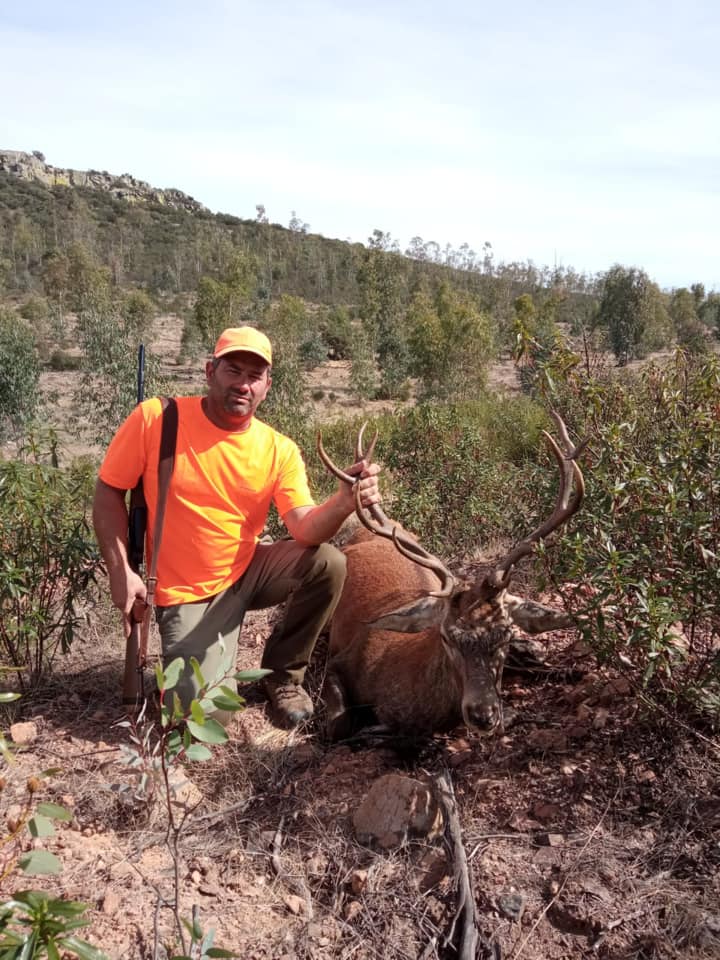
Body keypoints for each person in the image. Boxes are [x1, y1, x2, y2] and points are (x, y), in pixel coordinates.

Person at [92, 326, 381, 728]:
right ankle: (212, 662)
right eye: (233, 370)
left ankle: (282, 675)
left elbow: (305, 529)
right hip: (184, 593)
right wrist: (121, 571)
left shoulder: (278, 449)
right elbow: (108, 492)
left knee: (328, 563)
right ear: (210, 371)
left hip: (247, 572)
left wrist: (343, 502)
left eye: (254, 375)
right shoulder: (157, 420)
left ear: (267, 385)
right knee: (204, 721)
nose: (243, 384)